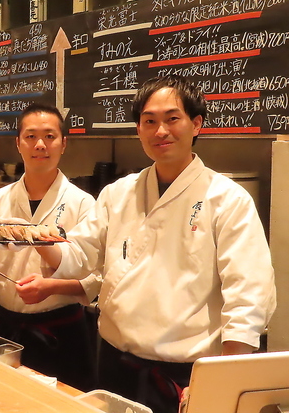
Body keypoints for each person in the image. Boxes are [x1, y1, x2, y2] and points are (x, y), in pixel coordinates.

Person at [32, 75, 276, 413]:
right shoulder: (118, 193)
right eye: (149, 121)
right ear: (138, 129)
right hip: (115, 363)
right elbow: (80, 253)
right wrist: (33, 239)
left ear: (196, 124)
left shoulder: (227, 199)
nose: (160, 131)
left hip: (185, 375)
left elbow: (248, 297)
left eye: (172, 119)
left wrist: (225, 380)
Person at [0, 103, 101, 392]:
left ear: (63, 144)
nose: (40, 144)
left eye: (50, 136)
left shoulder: (83, 203)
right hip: (7, 330)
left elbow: (97, 276)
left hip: (63, 333)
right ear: (18, 143)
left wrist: (52, 287)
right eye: (31, 136)